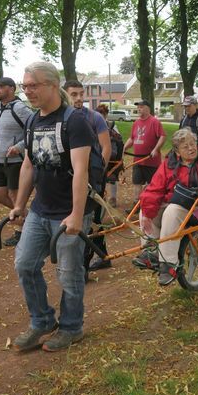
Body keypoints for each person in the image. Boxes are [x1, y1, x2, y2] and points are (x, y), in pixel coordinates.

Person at [9, 62, 94, 352]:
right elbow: (29, 164)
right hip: (40, 209)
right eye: (25, 86)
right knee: (25, 264)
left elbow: (81, 171)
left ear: (52, 85)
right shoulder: (33, 121)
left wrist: (77, 214)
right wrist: (20, 204)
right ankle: (43, 320)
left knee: (69, 273)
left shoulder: (75, 121)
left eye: (33, 85)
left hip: (70, 212)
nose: (28, 91)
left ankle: (72, 327)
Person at [134, 129, 198, 285]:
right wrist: (148, 213)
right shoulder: (169, 164)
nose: (191, 148)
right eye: (185, 147)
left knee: (172, 211)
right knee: (146, 209)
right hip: (179, 202)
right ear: (177, 151)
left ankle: (169, 264)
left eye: (193, 143)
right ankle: (151, 251)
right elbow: (155, 188)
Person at [62, 80, 113, 272]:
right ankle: (101, 255)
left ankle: (83, 266)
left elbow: (106, 148)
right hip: (68, 179)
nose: (79, 98)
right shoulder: (62, 118)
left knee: (93, 220)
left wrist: (98, 176)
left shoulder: (94, 118)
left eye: (81, 94)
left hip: (93, 178)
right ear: (64, 94)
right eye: (74, 94)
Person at [0, 77, 32, 246]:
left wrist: (19, 147)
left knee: (14, 195)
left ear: (11, 89)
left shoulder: (20, 108)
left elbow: (34, 130)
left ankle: (20, 231)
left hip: (15, 161)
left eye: (1, 86)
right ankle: (30, 218)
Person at [122, 99, 166, 210]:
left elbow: (162, 136)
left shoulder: (154, 122)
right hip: (138, 160)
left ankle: (152, 204)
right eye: (138, 107)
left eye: (141, 107)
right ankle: (137, 205)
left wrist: (156, 149)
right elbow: (132, 138)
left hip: (151, 161)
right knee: (137, 182)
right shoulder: (136, 123)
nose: (139, 109)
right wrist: (124, 148)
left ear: (147, 108)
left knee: (152, 184)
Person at [97, 104, 123, 208]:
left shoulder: (112, 125)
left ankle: (112, 199)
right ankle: (101, 199)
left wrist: (109, 131)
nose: (101, 116)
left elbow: (119, 139)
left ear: (106, 114)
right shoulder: (93, 124)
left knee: (112, 178)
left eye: (103, 114)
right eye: (99, 114)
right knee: (99, 178)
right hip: (99, 155)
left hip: (112, 157)